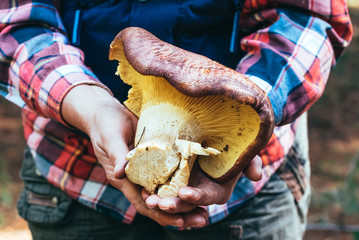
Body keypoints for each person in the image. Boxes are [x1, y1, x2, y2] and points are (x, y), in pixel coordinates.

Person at [0, 0, 352, 239]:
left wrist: (254, 108)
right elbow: (16, 21)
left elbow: (307, 16)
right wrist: (90, 107)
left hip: (248, 189)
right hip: (71, 170)